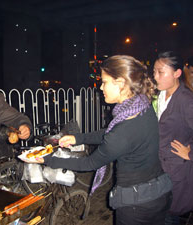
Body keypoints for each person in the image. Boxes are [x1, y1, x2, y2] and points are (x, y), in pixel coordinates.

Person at [22, 55, 172, 225]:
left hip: (137, 205)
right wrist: (78, 138)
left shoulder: (123, 131)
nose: (101, 87)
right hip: (159, 192)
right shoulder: (141, 105)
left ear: (121, 83)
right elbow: (112, 133)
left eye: (105, 82)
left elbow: (90, 163)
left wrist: (49, 160)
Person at [153, 51, 193, 224]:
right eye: (154, 71)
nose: (155, 76)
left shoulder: (186, 100)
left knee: (169, 216)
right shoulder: (158, 95)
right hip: (158, 168)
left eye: (160, 72)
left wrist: (190, 154)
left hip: (175, 171)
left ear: (177, 73)